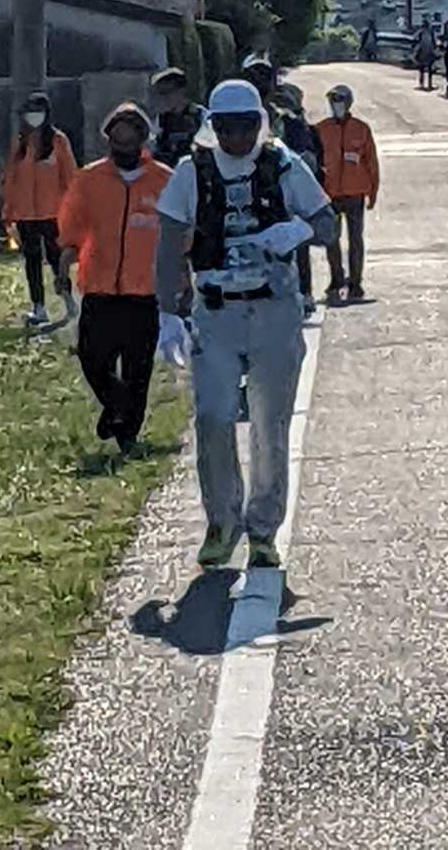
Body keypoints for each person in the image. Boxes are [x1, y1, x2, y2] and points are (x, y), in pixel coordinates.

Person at [156, 79, 335, 570]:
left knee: (269, 423)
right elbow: (169, 241)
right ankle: (221, 521)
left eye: (246, 126)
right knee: (214, 417)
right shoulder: (192, 172)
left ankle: (263, 528)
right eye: (227, 128)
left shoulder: (284, 166)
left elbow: (327, 223)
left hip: (274, 311)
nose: (236, 138)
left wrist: (297, 229)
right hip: (216, 312)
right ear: (213, 127)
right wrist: (167, 312)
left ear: (261, 124)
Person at [57, 104, 171, 455]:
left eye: (131, 136)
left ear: (143, 139)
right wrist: (65, 259)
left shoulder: (165, 181)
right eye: (117, 137)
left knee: (138, 369)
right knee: (92, 357)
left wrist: (181, 277)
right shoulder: (89, 179)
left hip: (145, 290)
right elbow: (73, 223)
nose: (124, 144)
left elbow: (179, 232)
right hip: (100, 286)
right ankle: (116, 404)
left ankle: (128, 435)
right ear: (108, 140)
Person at [1, 91, 78, 326]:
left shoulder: (58, 141)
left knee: (57, 259)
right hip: (25, 214)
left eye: (38, 111)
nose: (33, 116)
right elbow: (11, 179)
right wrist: (8, 212)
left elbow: (70, 177)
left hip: (54, 213)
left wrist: (74, 209)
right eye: (29, 111)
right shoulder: (21, 142)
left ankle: (68, 300)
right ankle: (38, 307)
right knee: (32, 260)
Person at [316, 84, 380, 304]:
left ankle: (355, 282)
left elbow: (371, 162)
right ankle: (336, 279)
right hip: (330, 194)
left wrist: (373, 192)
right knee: (331, 238)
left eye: (340, 100)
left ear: (349, 103)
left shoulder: (361, 129)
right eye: (333, 101)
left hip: (355, 193)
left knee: (355, 239)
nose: (336, 105)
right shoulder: (321, 129)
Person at [271, 82, 325, 316]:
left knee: (300, 245)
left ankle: (305, 292)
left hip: (293, 196)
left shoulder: (297, 126)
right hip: (269, 196)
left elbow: (311, 160)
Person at [150, 67, 206, 169]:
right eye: (160, 93)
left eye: (167, 92)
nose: (163, 98)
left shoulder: (200, 115)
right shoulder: (160, 120)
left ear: (181, 91)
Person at [412, 18, 438, 91]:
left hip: (422, 51)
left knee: (421, 69)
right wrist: (435, 49)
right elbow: (434, 42)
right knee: (429, 69)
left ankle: (422, 84)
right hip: (429, 51)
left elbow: (414, 38)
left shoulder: (421, 31)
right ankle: (429, 84)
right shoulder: (431, 31)